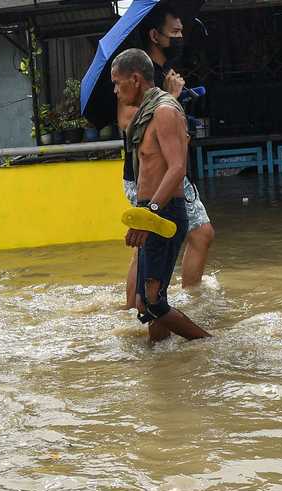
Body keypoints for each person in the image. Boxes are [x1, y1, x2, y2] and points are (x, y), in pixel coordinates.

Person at [113, 49, 210, 344]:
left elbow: (177, 167)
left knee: (153, 302)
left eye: (118, 83)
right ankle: (160, 360)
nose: (116, 91)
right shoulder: (145, 112)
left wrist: (150, 215)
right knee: (145, 301)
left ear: (135, 78)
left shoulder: (166, 111)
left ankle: (208, 345)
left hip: (162, 214)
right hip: (150, 213)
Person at [120, 7, 215, 306]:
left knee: (150, 245)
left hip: (160, 174)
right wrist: (171, 97)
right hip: (150, 176)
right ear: (154, 35)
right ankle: (186, 303)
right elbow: (127, 122)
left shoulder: (159, 75)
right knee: (200, 234)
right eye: (175, 33)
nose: (181, 38)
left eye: (181, 32)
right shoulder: (138, 77)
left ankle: (141, 307)